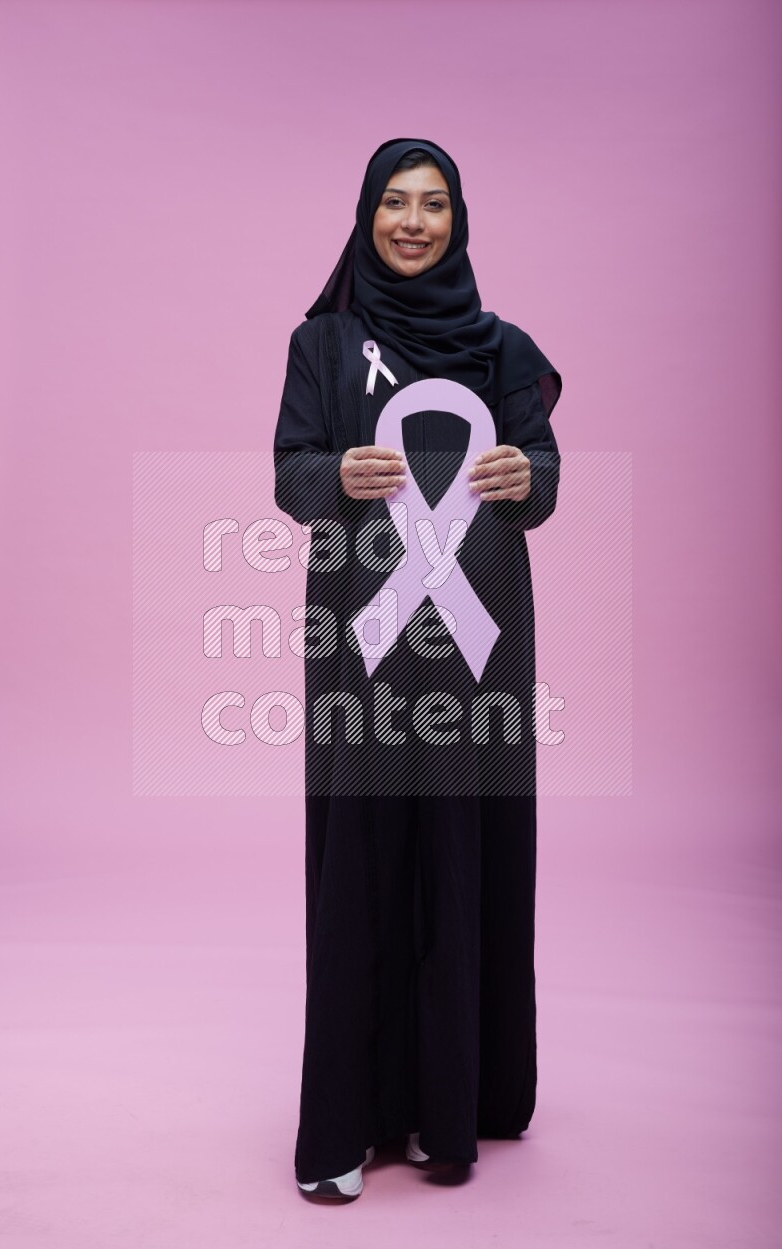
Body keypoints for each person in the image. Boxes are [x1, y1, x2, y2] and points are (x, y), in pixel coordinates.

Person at [273, 137, 562, 1200]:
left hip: (478, 644)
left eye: (430, 204)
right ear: (365, 213)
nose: (410, 221)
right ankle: (346, 1125)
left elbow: (543, 475)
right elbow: (288, 467)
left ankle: (456, 1112)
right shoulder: (322, 342)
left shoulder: (502, 346)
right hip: (362, 633)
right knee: (361, 853)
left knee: (465, 845)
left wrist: (520, 472)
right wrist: (330, 471)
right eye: (392, 203)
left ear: (457, 220)